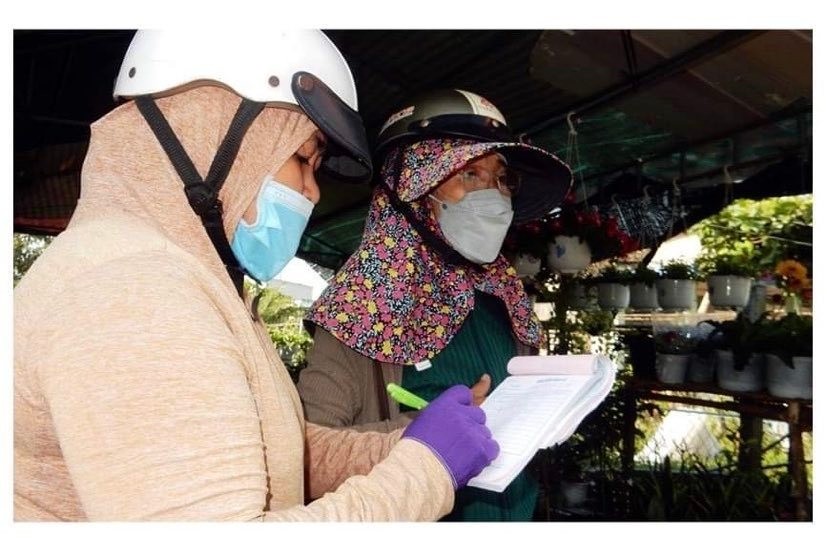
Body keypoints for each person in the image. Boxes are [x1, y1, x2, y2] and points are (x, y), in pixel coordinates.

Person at [13, 30, 499, 521]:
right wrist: (427, 470)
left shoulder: (170, 275)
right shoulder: (134, 293)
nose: (313, 192)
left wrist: (406, 444)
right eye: (303, 158)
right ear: (214, 133)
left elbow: (278, 453)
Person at [298, 89, 572, 521]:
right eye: (470, 174)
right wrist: (421, 433)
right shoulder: (360, 304)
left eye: (501, 179)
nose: (494, 195)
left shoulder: (505, 295)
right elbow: (305, 458)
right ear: (415, 189)